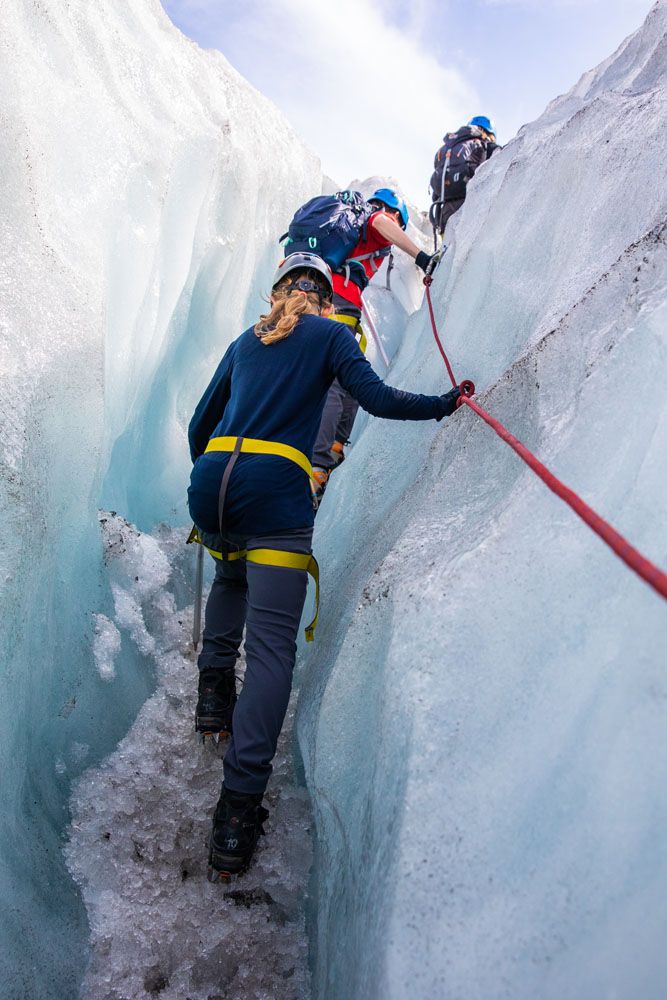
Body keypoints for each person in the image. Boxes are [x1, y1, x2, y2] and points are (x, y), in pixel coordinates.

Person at [187, 251, 462, 879]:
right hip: (276, 487)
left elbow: (201, 422)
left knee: (231, 570)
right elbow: (377, 398)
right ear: (324, 296)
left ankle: (211, 694)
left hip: (213, 484)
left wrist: (213, 484)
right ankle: (237, 810)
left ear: (279, 292)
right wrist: (443, 405)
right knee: (275, 648)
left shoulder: (246, 339)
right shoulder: (333, 335)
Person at [310, 187, 438, 504]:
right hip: (336, 304)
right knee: (338, 382)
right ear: (395, 213)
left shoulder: (346, 232)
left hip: (318, 296)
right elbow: (383, 223)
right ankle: (316, 468)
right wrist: (422, 257)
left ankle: (334, 447)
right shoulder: (374, 217)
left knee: (345, 375)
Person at [429, 116, 499, 238]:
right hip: (470, 206)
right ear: (489, 132)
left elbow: (437, 191)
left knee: (448, 251)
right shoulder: (483, 144)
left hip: (444, 213)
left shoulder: (447, 148)